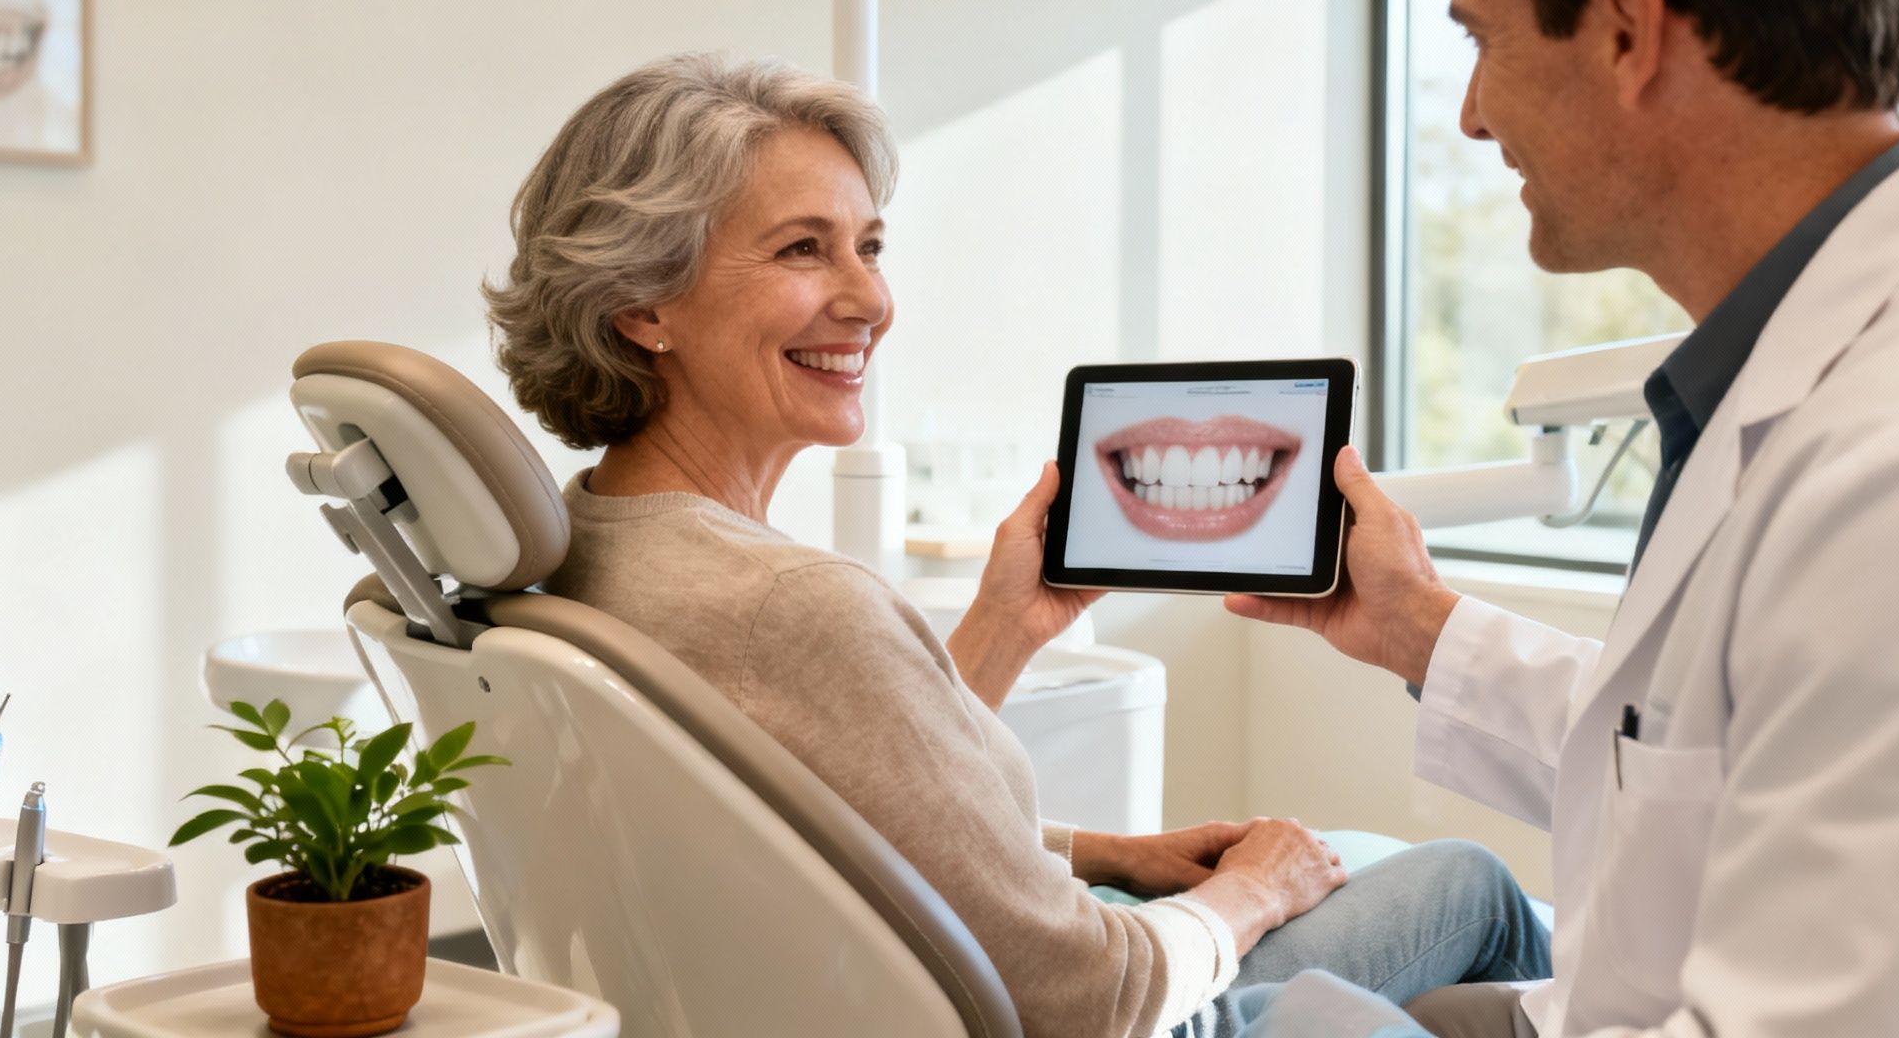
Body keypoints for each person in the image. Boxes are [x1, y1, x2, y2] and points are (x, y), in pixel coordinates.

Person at [483, 52, 1550, 1038]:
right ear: (641, 307)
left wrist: (1071, 784)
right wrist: (1255, 888)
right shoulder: (789, 602)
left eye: (869, 246)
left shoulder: (590, 555)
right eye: (802, 249)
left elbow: (811, 836)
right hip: (1106, 1018)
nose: (868, 301)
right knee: (1469, 881)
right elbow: (1099, 996)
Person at [1227, 0, 1899, 1035]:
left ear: (1625, 29)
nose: (1470, 115)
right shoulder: (1792, 367)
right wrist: (1417, 625)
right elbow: (1693, 747)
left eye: (1483, 40)